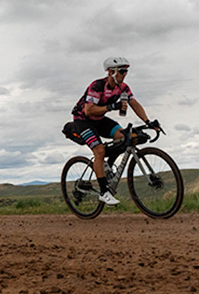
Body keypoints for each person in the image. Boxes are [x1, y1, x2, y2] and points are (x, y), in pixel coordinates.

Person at [68, 56, 159, 206]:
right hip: (83, 121)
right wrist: (112, 107)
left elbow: (134, 104)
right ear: (111, 72)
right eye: (122, 71)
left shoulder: (123, 88)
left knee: (124, 137)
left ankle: (107, 167)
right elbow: (89, 110)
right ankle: (104, 192)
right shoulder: (97, 86)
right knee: (99, 150)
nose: (125, 74)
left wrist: (148, 122)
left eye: (126, 72)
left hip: (99, 120)